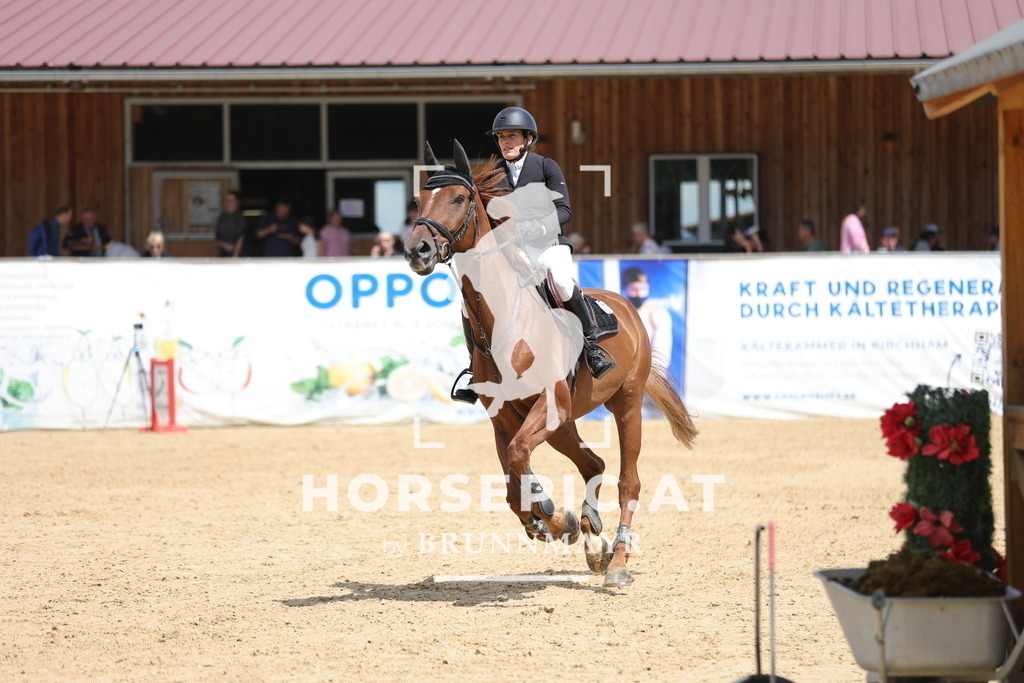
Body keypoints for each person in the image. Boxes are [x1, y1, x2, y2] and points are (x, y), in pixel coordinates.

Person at [450, 106, 613, 405]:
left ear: (527, 139)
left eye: (511, 136)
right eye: (501, 137)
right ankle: (475, 368)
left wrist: (537, 226)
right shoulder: (493, 173)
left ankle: (592, 347)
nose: (505, 142)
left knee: (562, 283)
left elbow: (564, 210)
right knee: (468, 301)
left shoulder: (545, 166)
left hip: (547, 246)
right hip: (509, 253)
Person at [621, 266, 672, 366]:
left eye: (643, 289)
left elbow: (662, 352)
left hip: (648, 372)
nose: (639, 293)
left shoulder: (657, 314)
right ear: (624, 289)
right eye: (634, 289)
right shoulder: (618, 313)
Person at [214, 190, 246, 258]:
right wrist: (225, 245)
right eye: (227, 200)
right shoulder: (222, 217)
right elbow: (217, 238)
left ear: (237, 202)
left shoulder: (240, 218)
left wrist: (235, 256)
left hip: (238, 255)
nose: (229, 203)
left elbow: (241, 238)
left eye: (231, 200)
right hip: (223, 254)